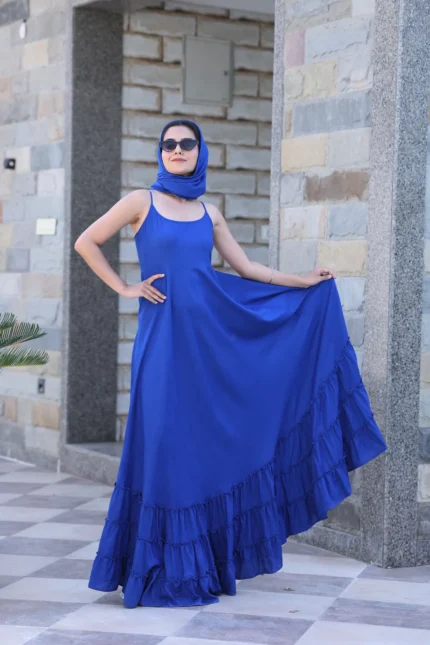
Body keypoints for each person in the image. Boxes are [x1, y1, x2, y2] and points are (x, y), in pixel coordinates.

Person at [74, 118, 387, 608]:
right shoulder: (140, 201)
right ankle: (157, 567)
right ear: (160, 152)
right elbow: (86, 241)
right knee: (163, 445)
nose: (177, 150)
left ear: (200, 152)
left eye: (187, 143)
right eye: (169, 144)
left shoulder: (209, 213)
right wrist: (125, 287)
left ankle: (199, 565)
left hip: (210, 345)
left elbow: (247, 268)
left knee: (199, 448)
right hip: (162, 346)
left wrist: (303, 282)